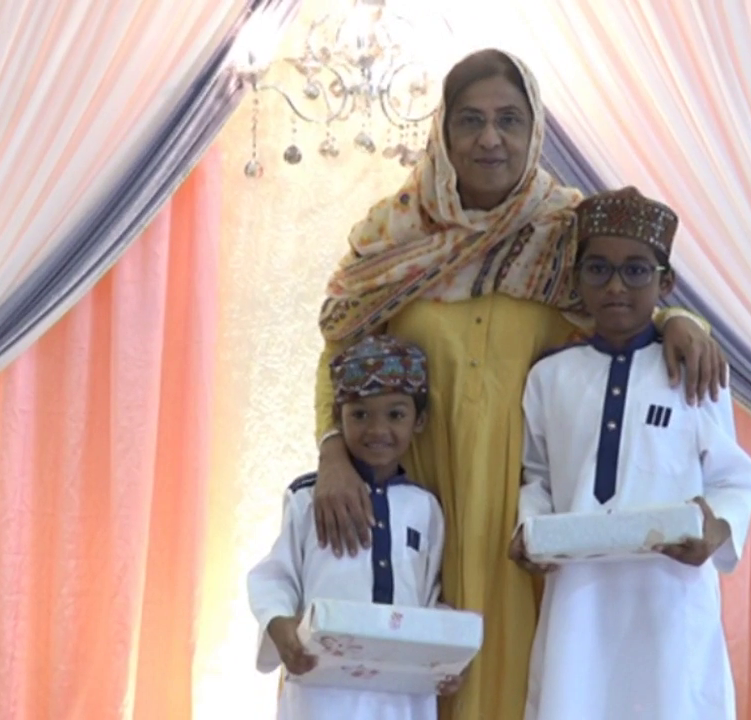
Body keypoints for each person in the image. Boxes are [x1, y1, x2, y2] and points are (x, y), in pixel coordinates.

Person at [310, 49, 729, 720]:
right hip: (420, 493)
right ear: (442, 131)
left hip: (528, 510)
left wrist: (683, 320)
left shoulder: (564, 234)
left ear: (534, 132)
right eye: (470, 120)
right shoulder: (390, 238)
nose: (490, 138)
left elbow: (627, 298)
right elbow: (341, 352)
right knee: (412, 666)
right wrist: (333, 453)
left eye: (509, 119)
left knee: (536, 675)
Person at [511, 187, 751, 720]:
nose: (615, 286)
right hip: (580, 597)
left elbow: (734, 480)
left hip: (669, 592)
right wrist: (530, 530)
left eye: (635, 271)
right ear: (577, 279)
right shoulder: (550, 376)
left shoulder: (694, 371)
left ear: (665, 282)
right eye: (598, 269)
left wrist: (715, 529)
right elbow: (537, 477)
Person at [248, 335, 462, 720]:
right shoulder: (307, 498)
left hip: (401, 693)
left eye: (395, 415)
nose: (377, 429)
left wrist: (443, 656)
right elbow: (275, 576)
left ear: (419, 420)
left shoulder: (425, 507)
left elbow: (428, 598)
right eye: (360, 415)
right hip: (321, 686)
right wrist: (279, 626)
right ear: (338, 417)